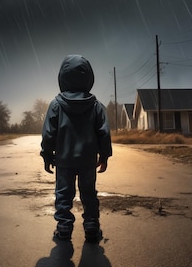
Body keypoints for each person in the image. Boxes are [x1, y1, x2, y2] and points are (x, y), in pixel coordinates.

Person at [40, 55, 112, 243]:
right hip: (88, 160)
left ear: (62, 77)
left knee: (63, 193)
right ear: (89, 77)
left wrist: (47, 155)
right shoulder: (96, 105)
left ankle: (64, 228)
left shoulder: (56, 104)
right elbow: (103, 132)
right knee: (88, 193)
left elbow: (48, 133)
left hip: (64, 159)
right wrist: (104, 155)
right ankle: (91, 227)